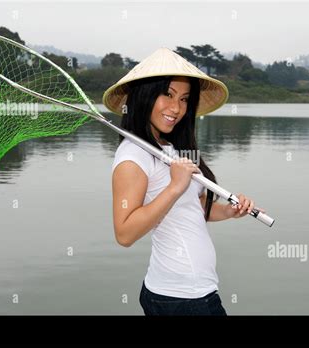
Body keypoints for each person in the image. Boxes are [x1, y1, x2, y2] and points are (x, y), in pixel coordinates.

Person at [103, 48, 266, 316]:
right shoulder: (133, 156)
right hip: (180, 299)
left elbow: (194, 208)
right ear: (144, 96)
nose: (176, 108)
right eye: (167, 94)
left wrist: (229, 211)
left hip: (193, 294)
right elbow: (124, 233)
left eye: (184, 99)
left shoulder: (169, 147)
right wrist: (174, 187)